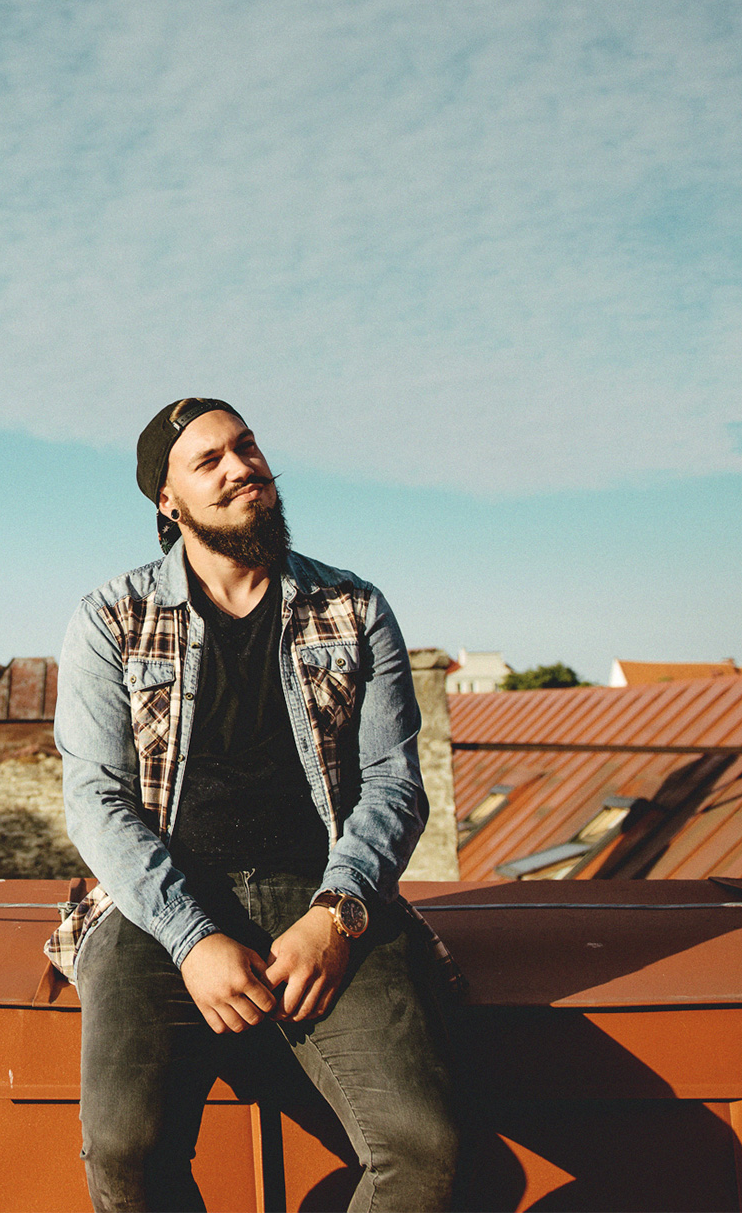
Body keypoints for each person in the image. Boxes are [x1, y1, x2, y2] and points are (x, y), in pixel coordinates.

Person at [48, 398, 458, 1211]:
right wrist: (192, 937)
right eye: (209, 461)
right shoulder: (111, 618)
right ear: (168, 503)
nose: (242, 467)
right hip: (158, 903)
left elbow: (393, 782)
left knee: (423, 1147)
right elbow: (94, 795)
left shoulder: (354, 608)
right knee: (127, 1149)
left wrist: (337, 915)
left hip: (319, 895)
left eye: (247, 446)